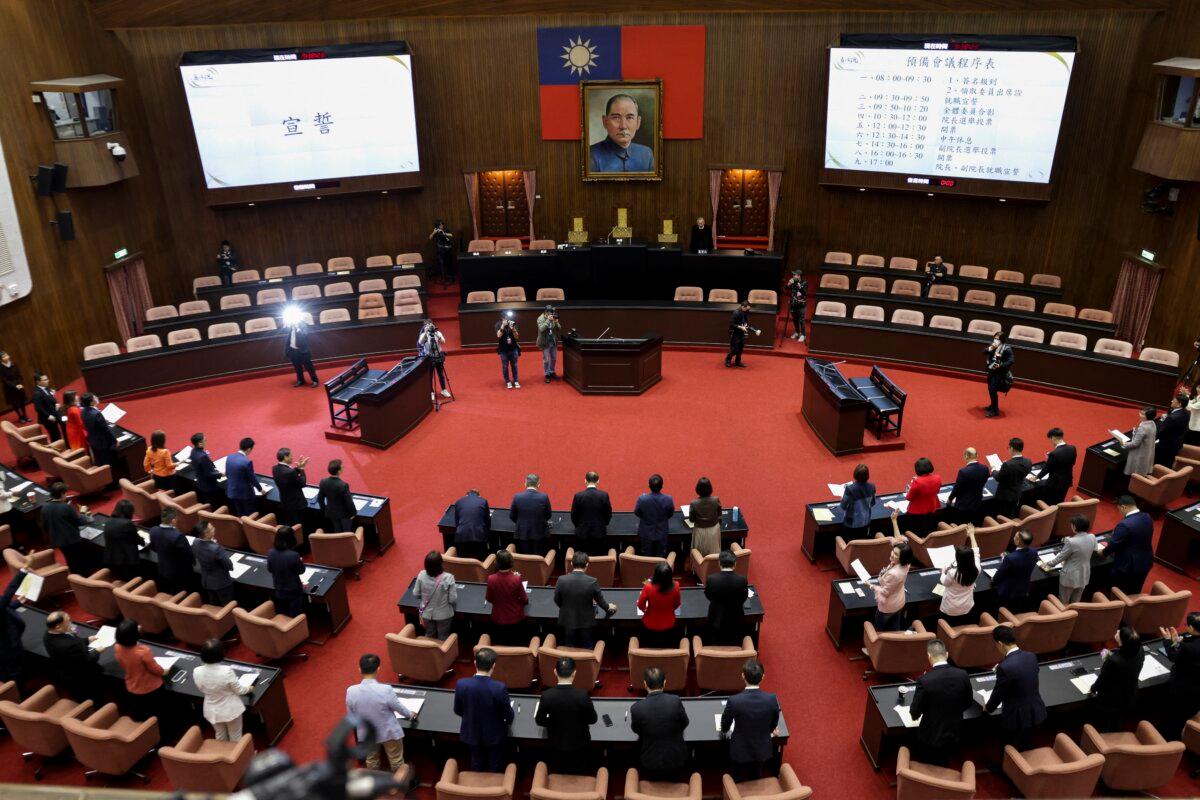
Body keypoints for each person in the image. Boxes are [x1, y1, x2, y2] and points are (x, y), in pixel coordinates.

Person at [345, 652, 414, 771]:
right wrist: (410, 714)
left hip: (367, 734)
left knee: (371, 760)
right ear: (378, 669)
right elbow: (398, 708)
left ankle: (374, 785)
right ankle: (398, 785)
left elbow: (351, 717)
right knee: (396, 760)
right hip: (389, 732)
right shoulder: (386, 690)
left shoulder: (351, 691)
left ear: (360, 669)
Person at [909, 639, 972, 766]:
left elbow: (915, 712)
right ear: (947, 654)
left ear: (929, 656)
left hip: (931, 735)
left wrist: (915, 714)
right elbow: (968, 702)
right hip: (955, 730)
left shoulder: (924, 680)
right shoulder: (963, 674)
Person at [984, 626, 1046, 751]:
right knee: (1026, 746)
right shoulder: (1031, 656)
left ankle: (1006, 768)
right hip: (1037, 710)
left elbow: (998, 693)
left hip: (1016, 717)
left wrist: (988, 707)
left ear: (1000, 644)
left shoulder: (1005, 667)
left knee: (1007, 747)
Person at [453, 648, 513, 772]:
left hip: (471, 732)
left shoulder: (461, 684)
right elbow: (508, 715)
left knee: (476, 762)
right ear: (494, 665)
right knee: (495, 765)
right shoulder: (499, 688)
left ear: (475, 663)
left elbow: (458, 710)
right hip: (494, 735)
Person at [535, 656, 598, 774]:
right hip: (580, 745)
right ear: (574, 673)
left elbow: (540, 720)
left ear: (555, 672)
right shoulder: (582, 695)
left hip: (555, 744)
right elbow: (593, 719)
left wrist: (553, 721)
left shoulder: (547, 695)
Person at [721, 660, 780, 781]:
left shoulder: (734, 701)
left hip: (739, 751)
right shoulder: (772, 699)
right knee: (756, 776)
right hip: (761, 750)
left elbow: (725, 726)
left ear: (743, 675)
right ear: (763, 677)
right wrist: (771, 730)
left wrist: (725, 730)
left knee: (737, 778)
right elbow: (774, 723)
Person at [630, 666, 690, 782]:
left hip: (650, 763)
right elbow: (685, 723)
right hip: (676, 760)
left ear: (645, 684)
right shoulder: (675, 701)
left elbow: (636, 730)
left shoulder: (636, 708)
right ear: (665, 682)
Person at [553, 550, 616, 648]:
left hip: (567, 618)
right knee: (587, 644)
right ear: (587, 564)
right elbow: (600, 602)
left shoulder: (561, 580)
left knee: (569, 644)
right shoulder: (592, 581)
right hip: (586, 620)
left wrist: (566, 607)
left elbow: (557, 599)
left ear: (571, 563)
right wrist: (609, 607)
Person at [194, 639, 252, 741]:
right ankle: (238, 756)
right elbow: (239, 691)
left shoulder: (197, 671)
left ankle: (222, 755)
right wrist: (249, 688)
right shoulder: (226, 671)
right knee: (235, 736)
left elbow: (201, 688)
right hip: (230, 710)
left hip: (211, 710)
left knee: (220, 735)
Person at [44, 610, 106, 706]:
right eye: (68, 621)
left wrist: (87, 640)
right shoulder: (67, 646)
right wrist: (97, 651)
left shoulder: (49, 634)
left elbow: (71, 639)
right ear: (58, 627)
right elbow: (87, 661)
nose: (71, 623)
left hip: (69, 672)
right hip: (82, 677)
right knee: (93, 698)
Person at [865, 511, 913, 632]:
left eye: (896, 554)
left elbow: (885, 592)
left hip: (888, 605)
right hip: (899, 600)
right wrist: (894, 520)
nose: (892, 554)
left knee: (879, 628)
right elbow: (898, 541)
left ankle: (876, 647)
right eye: (893, 551)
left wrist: (870, 586)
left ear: (902, 557)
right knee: (895, 626)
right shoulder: (906, 563)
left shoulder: (894, 574)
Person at [1088, 625, 1142, 732]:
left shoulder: (1114, 661)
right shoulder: (1139, 651)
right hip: (1129, 694)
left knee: (1105, 723)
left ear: (1122, 642)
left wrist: (1093, 688)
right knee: (1118, 720)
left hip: (1110, 699)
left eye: (1119, 633)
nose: (1117, 632)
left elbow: (1102, 680)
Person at [114, 618, 166, 722]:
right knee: (156, 714)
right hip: (150, 688)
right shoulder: (143, 652)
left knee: (141, 714)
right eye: (136, 628)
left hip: (132, 686)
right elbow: (157, 670)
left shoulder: (117, 647)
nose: (139, 627)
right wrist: (164, 671)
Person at [1102, 495, 1154, 595]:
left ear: (1123, 507)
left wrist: (1104, 552)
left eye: (1119, 509)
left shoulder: (1125, 524)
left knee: (1116, 591)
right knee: (1135, 592)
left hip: (1127, 566)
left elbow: (1113, 545)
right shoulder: (1147, 517)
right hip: (1145, 562)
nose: (1119, 512)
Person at [589, 94, 654, 173]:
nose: (623, 126)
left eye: (629, 117)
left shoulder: (646, 154)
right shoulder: (591, 155)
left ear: (638, 122)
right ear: (605, 121)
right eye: (616, 117)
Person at [1159, 612, 1200, 738]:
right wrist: (1177, 643)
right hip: (1197, 689)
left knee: (1175, 716)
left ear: (1192, 628)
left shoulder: (1189, 648)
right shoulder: (1190, 645)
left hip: (1184, 688)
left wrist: (1167, 641)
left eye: (1186, 625)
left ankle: (1169, 737)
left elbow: (1173, 657)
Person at [1041, 515, 1096, 604]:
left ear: (1075, 527)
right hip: (1084, 574)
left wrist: (1048, 564)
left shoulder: (1071, 542)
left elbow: (1060, 558)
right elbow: (1093, 549)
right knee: (1076, 602)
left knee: (1063, 602)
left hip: (1070, 576)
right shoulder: (1092, 537)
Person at [41, 482, 92, 576]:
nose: (66, 495)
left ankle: (74, 577)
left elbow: (45, 526)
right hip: (71, 540)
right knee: (79, 559)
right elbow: (80, 521)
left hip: (57, 540)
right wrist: (82, 512)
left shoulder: (44, 507)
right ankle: (85, 577)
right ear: (61, 494)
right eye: (65, 493)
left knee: (69, 559)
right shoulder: (66, 507)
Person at [705, 549, 749, 645]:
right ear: (735, 564)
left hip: (716, 618)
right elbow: (743, 598)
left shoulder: (712, 579)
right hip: (736, 618)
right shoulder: (742, 580)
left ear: (719, 563)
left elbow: (708, 595)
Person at [485, 549, 528, 646]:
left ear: (497, 563)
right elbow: (524, 599)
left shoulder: (491, 579)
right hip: (515, 619)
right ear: (510, 562)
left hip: (498, 618)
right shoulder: (516, 579)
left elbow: (489, 598)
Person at [938, 526, 980, 625]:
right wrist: (972, 535)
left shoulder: (953, 573)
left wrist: (943, 572)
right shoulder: (977, 568)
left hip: (950, 607)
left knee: (948, 625)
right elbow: (976, 551)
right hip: (966, 605)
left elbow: (945, 583)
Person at [150, 507, 195, 595]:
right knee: (182, 593)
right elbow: (187, 555)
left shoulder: (153, 530)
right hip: (180, 573)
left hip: (163, 569)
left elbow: (153, 548)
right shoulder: (178, 536)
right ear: (173, 520)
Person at [990, 530, 1038, 613]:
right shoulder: (1034, 552)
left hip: (1008, 592)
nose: (1013, 538)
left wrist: (993, 579)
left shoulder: (1010, 558)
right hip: (1024, 588)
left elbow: (998, 576)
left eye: (1015, 537)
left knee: (1003, 612)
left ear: (1018, 541)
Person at [637, 562, 682, 650]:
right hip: (669, 624)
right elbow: (677, 604)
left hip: (650, 624)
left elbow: (640, 604)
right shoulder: (676, 586)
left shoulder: (648, 587)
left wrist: (646, 611)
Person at [0, 556, 29, 686]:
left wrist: (17, 603)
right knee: (14, 671)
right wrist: (24, 570)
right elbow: (8, 593)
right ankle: (18, 693)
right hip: (6, 645)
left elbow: (4, 606)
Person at [414, 551, 457, 640]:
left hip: (426, 614)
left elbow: (416, 594)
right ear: (441, 564)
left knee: (429, 635)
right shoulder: (449, 578)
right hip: (444, 615)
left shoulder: (421, 575)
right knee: (443, 638)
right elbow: (452, 599)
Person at [192, 520, 235, 605]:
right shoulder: (216, 549)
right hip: (221, 583)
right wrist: (215, 545)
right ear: (206, 534)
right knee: (226, 606)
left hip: (207, 581)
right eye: (212, 529)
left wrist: (212, 543)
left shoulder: (195, 542)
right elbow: (229, 565)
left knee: (213, 604)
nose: (214, 528)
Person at [570, 472, 612, 557]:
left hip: (582, 534)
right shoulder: (604, 495)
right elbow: (608, 514)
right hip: (599, 532)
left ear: (585, 481)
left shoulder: (578, 496)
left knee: (582, 558)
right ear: (598, 481)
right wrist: (603, 524)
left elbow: (574, 515)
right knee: (598, 558)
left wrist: (579, 526)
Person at [267, 526, 306, 617]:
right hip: (293, 590)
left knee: (283, 611)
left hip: (278, 588)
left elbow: (270, 569)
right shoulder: (294, 555)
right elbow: (301, 570)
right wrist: (300, 561)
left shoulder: (270, 552)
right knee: (295, 613)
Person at [992, 437, 1032, 519]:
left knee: (1002, 516)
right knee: (1011, 513)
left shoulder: (1008, 465)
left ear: (1012, 448)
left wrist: (993, 470)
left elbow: (999, 478)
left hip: (1005, 496)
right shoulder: (1028, 461)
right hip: (1017, 493)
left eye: (1008, 448)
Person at [510, 474, 551, 555]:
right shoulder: (544, 497)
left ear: (525, 483)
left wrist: (521, 523)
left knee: (524, 558)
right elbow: (548, 515)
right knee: (538, 557)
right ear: (538, 484)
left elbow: (512, 516)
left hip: (522, 533)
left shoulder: (517, 497)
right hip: (540, 533)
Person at [103, 499, 142, 582]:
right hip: (126, 560)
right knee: (131, 579)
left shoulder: (108, 521)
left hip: (111, 557)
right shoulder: (128, 523)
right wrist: (142, 541)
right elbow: (136, 539)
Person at [635, 474, 674, 557]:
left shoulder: (642, 499)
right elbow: (670, 514)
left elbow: (637, 512)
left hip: (646, 533)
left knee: (646, 555)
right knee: (661, 555)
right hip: (662, 532)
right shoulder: (668, 499)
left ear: (649, 486)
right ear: (662, 486)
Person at [947, 448, 989, 525]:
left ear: (966, 456)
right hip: (977, 503)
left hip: (963, 507)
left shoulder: (963, 472)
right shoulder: (985, 468)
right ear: (977, 455)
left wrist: (950, 499)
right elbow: (985, 480)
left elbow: (957, 489)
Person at [1036, 427, 1076, 506]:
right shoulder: (1072, 448)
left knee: (1048, 504)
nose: (1051, 441)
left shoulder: (1054, 453)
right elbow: (1072, 463)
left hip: (1054, 484)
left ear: (1053, 437)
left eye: (1050, 439)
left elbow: (1047, 469)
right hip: (1067, 481)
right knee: (1059, 502)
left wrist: (1036, 477)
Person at [904, 457, 942, 536]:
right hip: (932, 509)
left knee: (917, 534)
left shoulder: (917, 482)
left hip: (916, 513)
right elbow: (935, 490)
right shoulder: (938, 478)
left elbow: (909, 498)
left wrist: (909, 490)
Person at [451, 488, 491, 562]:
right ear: (479, 496)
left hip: (462, 536)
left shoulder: (458, 502)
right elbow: (487, 521)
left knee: (463, 560)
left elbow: (457, 522)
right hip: (479, 536)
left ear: (466, 495)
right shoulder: (483, 501)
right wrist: (487, 535)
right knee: (482, 559)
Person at [317, 460, 356, 535]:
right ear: (338, 471)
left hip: (331, 512)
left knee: (337, 531)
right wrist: (353, 513)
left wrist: (324, 509)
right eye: (342, 467)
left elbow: (320, 499)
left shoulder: (323, 482)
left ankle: (339, 545)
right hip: (344, 514)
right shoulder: (343, 485)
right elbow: (349, 502)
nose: (343, 467)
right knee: (347, 533)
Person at [272, 448, 309, 526]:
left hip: (285, 502)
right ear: (285, 457)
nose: (292, 457)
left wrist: (298, 468)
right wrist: (302, 469)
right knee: (298, 525)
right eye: (291, 456)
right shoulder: (290, 472)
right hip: (296, 504)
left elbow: (289, 475)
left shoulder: (275, 468)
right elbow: (302, 483)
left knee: (290, 523)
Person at [686, 476, 722, 558]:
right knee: (714, 553)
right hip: (714, 529)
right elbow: (719, 515)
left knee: (699, 553)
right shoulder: (716, 500)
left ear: (698, 489)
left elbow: (691, 520)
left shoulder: (694, 503)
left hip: (699, 531)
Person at [838, 464, 876, 540]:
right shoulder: (872, 487)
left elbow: (843, 506)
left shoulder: (850, 489)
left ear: (855, 474)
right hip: (865, 522)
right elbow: (872, 503)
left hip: (851, 524)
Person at [81, 392, 117, 469]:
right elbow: (105, 430)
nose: (97, 398)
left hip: (92, 440)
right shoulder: (96, 414)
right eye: (94, 398)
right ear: (91, 402)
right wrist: (114, 441)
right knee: (107, 464)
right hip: (102, 442)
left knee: (99, 461)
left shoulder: (83, 411)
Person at [983, 331, 1014, 418]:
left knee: (993, 389)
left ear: (1002, 340)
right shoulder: (993, 346)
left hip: (999, 372)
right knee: (990, 389)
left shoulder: (1007, 349)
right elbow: (984, 352)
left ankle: (995, 410)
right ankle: (992, 405)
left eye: (997, 339)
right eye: (995, 338)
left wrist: (1000, 365)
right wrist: (990, 348)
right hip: (991, 370)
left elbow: (1011, 361)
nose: (995, 340)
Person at [225, 437, 259, 517]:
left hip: (232, 491)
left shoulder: (229, 457)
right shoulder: (247, 462)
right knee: (250, 515)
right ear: (249, 449)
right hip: (245, 494)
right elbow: (252, 478)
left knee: (239, 513)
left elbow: (227, 473)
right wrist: (260, 489)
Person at [189, 433, 224, 507]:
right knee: (212, 505)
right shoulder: (202, 456)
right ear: (200, 444)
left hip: (200, 482)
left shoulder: (193, 451)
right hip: (209, 486)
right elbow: (210, 474)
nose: (206, 441)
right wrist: (222, 474)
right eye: (205, 440)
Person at [1156, 392, 1190, 467]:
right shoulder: (1186, 413)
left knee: (1161, 463)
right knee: (1169, 461)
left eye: (1174, 401)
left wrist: (1162, 421)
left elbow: (1162, 431)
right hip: (1177, 443)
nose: (1171, 401)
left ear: (1179, 404)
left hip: (1166, 445)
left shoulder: (1172, 418)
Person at [419, 320, 452, 397]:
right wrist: (426, 333)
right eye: (427, 325)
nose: (429, 326)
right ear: (424, 327)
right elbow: (420, 342)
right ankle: (431, 392)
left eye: (430, 324)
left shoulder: (437, 333)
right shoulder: (423, 335)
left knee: (441, 374)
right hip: (429, 357)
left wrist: (437, 334)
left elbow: (443, 341)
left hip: (438, 355)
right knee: (430, 375)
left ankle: (444, 390)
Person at [1123, 406, 1158, 478]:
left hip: (1140, 453)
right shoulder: (1152, 423)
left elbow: (1135, 443)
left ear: (1147, 416)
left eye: (1142, 414)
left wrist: (1124, 444)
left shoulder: (1143, 427)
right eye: (1141, 412)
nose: (1140, 414)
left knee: (1136, 472)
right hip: (1147, 451)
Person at [284, 317, 319, 388]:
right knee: (297, 367)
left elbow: (305, 334)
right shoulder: (290, 326)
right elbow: (289, 338)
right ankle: (301, 380)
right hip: (293, 350)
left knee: (308, 367)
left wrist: (297, 328)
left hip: (303, 350)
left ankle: (315, 380)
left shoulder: (303, 325)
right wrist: (287, 350)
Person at [0, 351, 29, 423]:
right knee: (15, 403)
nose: (6, 357)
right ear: (1, 359)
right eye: (3, 357)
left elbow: (19, 375)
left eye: (6, 355)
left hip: (19, 386)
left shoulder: (14, 364)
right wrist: (15, 386)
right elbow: (5, 380)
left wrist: (20, 383)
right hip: (10, 388)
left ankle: (25, 415)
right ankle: (20, 416)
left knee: (22, 401)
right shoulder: (0, 368)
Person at [31, 372, 60, 442]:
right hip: (47, 418)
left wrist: (55, 403)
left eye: (47, 379)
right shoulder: (37, 393)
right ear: (38, 382)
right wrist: (48, 416)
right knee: (54, 435)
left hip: (53, 414)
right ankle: (55, 450)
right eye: (45, 380)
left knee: (57, 433)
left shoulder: (45, 388)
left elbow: (49, 399)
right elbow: (38, 408)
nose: (48, 381)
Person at [536, 306, 562, 383]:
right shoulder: (540, 318)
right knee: (546, 359)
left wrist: (556, 322)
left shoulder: (553, 317)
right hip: (545, 342)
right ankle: (547, 374)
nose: (551, 314)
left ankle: (552, 372)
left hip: (553, 341)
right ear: (545, 312)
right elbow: (541, 329)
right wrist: (548, 320)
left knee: (554, 358)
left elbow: (559, 328)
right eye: (549, 313)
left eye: (552, 313)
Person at [725, 301, 754, 368]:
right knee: (735, 349)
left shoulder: (746, 311)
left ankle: (737, 362)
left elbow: (745, 320)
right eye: (746, 308)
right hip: (735, 332)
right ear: (743, 307)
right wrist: (740, 327)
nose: (748, 309)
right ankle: (728, 360)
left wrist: (745, 325)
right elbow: (731, 324)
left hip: (741, 332)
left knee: (741, 348)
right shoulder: (736, 313)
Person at [496, 314, 521, 389]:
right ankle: (507, 381)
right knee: (505, 366)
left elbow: (517, 337)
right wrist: (503, 326)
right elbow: (498, 336)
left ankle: (516, 380)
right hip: (503, 350)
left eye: (508, 318)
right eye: (505, 318)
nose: (507, 319)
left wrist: (513, 329)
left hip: (513, 349)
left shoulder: (513, 324)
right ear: (502, 318)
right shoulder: (498, 324)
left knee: (514, 365)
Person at [785, 271, 807, 342]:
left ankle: (803, 335)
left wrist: (799, 285)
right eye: (793, 274)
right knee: (795, 319)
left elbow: (804, 292)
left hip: (801, 305)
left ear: (799, 276)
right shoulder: (792, 282)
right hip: (793, 304)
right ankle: (797, 332)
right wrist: (788, 284)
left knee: (801, 320)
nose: (793, 276)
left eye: (795, 275)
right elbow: (785, 289)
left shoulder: (804, 283)